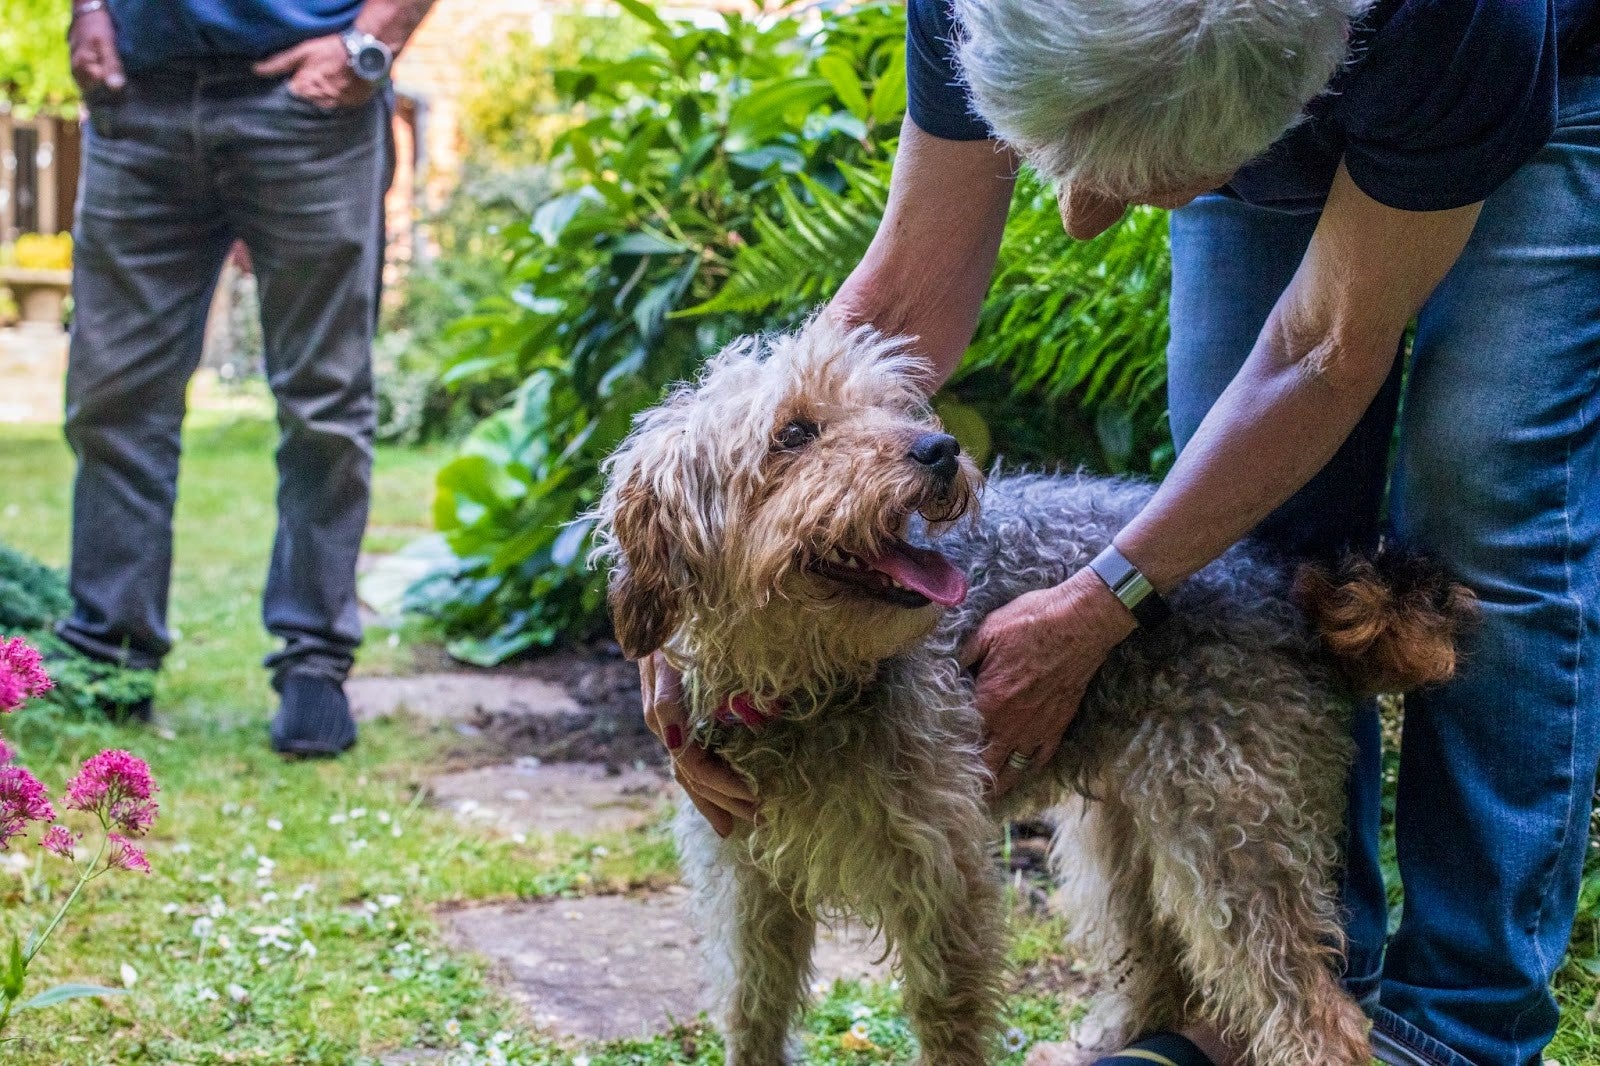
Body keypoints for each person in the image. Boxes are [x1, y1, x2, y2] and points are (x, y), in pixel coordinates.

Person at [641, 1, 1600, 1064]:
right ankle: (1253, 1012)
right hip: (1232, 77)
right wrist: (680, 603)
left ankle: (1454, 1026)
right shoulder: (980, 12)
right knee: (1256, 525)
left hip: (1537, 88)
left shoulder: (1457, 23)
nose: (1086, 220)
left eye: (1127, 183)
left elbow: (1323, 349)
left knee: (1487, 502)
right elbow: (908, 290)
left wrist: (1106, 600)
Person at [60, 0, 436, 754]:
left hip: (309, 99)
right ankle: (110, 660)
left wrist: (371, 38)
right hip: (138, 91)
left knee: (323, 402)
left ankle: (313, 666)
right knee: (113, 397)